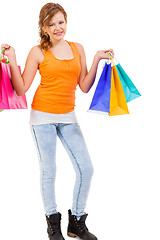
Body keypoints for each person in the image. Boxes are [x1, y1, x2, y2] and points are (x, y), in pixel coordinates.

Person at [1, 3, 114, 240]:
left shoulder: (78, 48)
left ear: (66, 21)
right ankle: (53, 224)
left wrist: (96, 59)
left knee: (86, 168)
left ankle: (77, 223)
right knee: (49, 170)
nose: (57, 27)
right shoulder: (37, 51)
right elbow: (21, 89)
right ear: (44, 27)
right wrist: (11, 59)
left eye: (60, 22)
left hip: (68, 117)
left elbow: (84, 86)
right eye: (51, 24)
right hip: (42, 117)